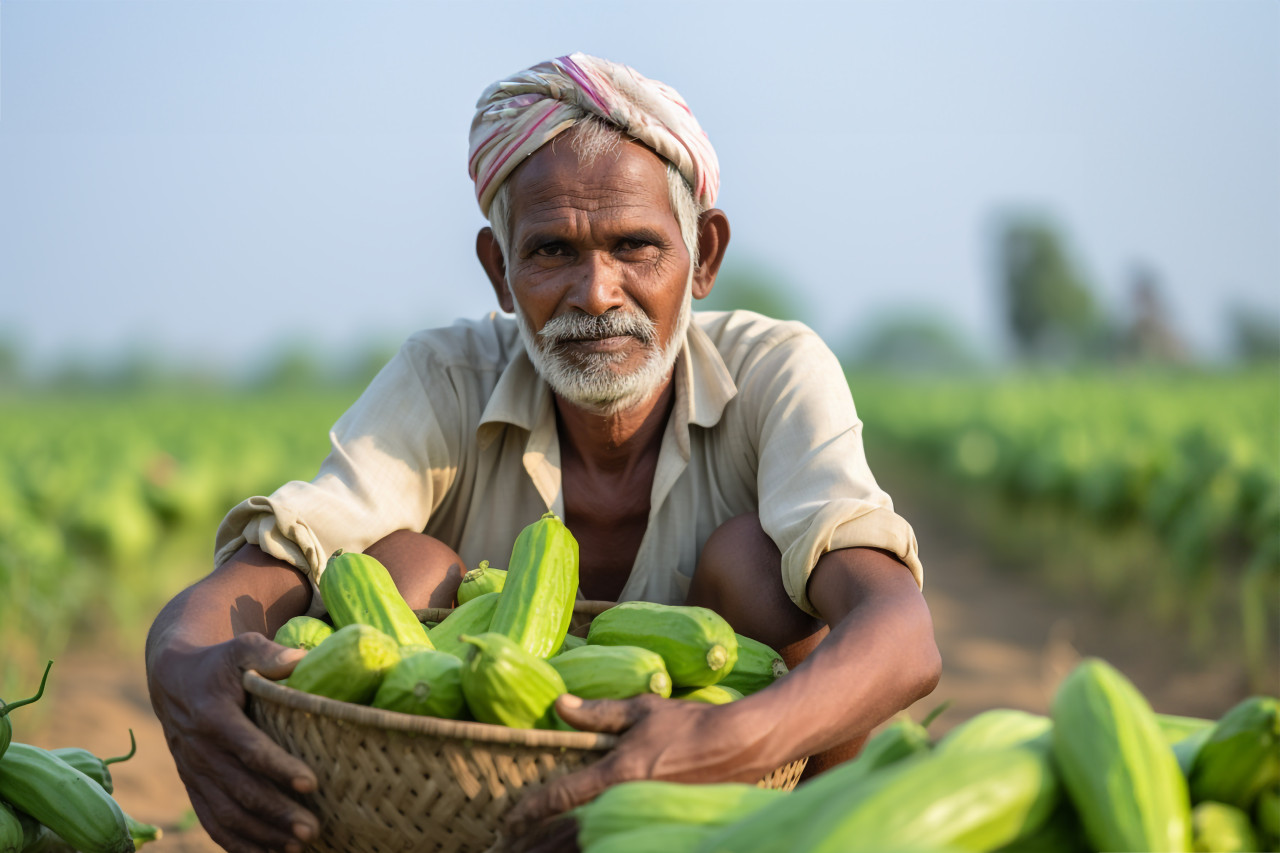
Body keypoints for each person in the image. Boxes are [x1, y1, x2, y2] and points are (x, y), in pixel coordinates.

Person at [145, 52, 941, 853]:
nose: (597, 292)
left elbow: (900, 633)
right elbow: (264, 572)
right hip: (453, 810)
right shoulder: (444, 377)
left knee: (760, 567)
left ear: (703, 257)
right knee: (395, 569)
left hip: (725, 803)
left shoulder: (775, 370)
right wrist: (178, 663)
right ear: (499, 270)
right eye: (552, 251)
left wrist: (725, 739)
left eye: (636, 247)